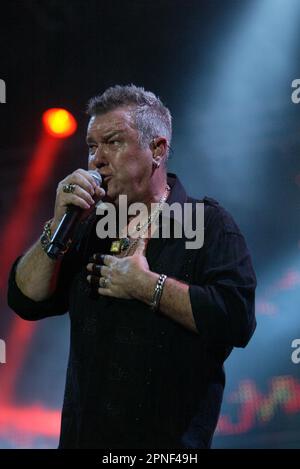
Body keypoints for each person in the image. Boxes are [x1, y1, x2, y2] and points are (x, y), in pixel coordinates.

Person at [7, 84, 257, 449]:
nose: (96, 160)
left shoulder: (208, 224)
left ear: (157, 149)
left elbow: (237, 320)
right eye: (92, 146)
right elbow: (25, 301)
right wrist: (57, 225)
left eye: (113, 142)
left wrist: (147, 286)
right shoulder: (86, 227)